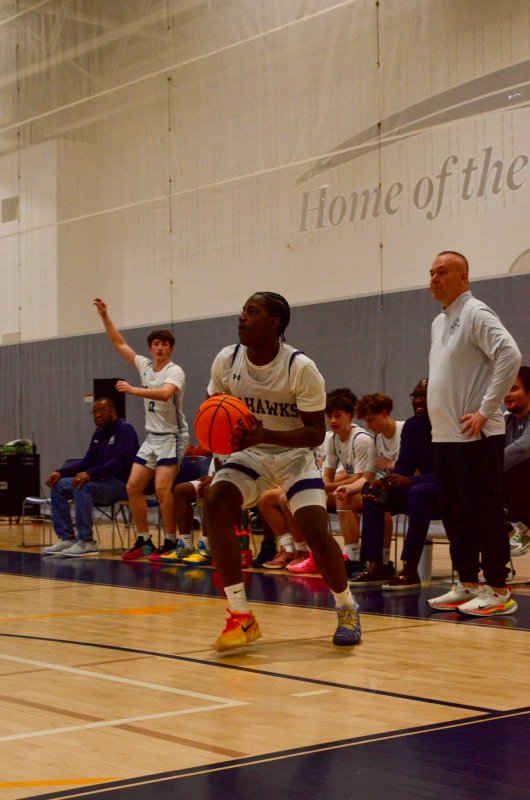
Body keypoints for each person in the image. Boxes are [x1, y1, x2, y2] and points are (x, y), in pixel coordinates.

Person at [203, 291, 361, 650]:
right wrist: (219, 462)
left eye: (252, 312)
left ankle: (347, 607)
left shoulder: (299, 368)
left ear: (274, 323)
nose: (241, 317)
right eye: (242, 310)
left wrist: (265, 433)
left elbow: (315, 434)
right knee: (215, 502)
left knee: (314, 531)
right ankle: (240, 615)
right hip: (251, 454)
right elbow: (215, 416)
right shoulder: (227, 361)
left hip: (295, 455)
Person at [427, 251, 521, 616]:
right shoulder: (440, 322)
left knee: (484, 512)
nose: (434, 279)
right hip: (446, 437)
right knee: (455, 514)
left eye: (443, 272)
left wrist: (486, 409)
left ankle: (498, 588)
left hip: (476, 436)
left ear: (463, 278)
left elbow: (509, 355)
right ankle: (467, 582)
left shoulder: (475, 313)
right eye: (431, 273)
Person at [94, 298, 189, 560]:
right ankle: (144, 540)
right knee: (133, 486)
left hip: (173, 436)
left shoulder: (175, 371)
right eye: (156, 344)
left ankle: (170, 542)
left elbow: (165, 394)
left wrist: (133, 390)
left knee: (161, 488)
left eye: (164, 344)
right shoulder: (145, 365)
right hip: (153, 437)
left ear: (170, 349)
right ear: (151, 348)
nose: (159, 348)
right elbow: (119, 343)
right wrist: (105, 315)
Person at [346, 379, 440, 589]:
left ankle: (410, 568)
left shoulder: (448, 423)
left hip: (448, 492)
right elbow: (404, 466)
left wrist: (410, 480)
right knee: (372, 496)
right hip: (422, 487)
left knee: (418, 492)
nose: (417, 400)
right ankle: (377, 566)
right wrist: (386, 483)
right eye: (414, 396)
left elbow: (450, 474)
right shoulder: (412, 426)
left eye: (422, 396)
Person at [43, 398, 139, 557]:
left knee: (83, 485)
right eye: (94, 412)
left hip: (121, 483)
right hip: (100, 483)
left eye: (102, 411)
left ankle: (86, 541)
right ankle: (66, 537)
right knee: (59, 484)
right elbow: (87, 462)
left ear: (112, 411)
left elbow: (121, 462)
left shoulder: (125, 429)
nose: (97, 415)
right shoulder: (100, 432)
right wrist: (61, 472)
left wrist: (90, 474)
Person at [323, 391, 376, 576]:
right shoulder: (332, 439)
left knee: (344, 499)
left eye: (338, 416)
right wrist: (322, 489)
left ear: (349, 416)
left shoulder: (361, 438)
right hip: (356, 487)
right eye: (329, 416)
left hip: (374, 488)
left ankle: (354, 559)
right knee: (310, 498)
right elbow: (327, 474)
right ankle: (309, 553)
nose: (333, 421)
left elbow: (360, 478)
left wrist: (327, 488)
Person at [503, 365, 530, 555]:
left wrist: (487, 469)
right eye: (504, 389)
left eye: (513, 389)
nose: (506, 395)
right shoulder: (504, 420)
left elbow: (523, 448)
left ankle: (525, 525)